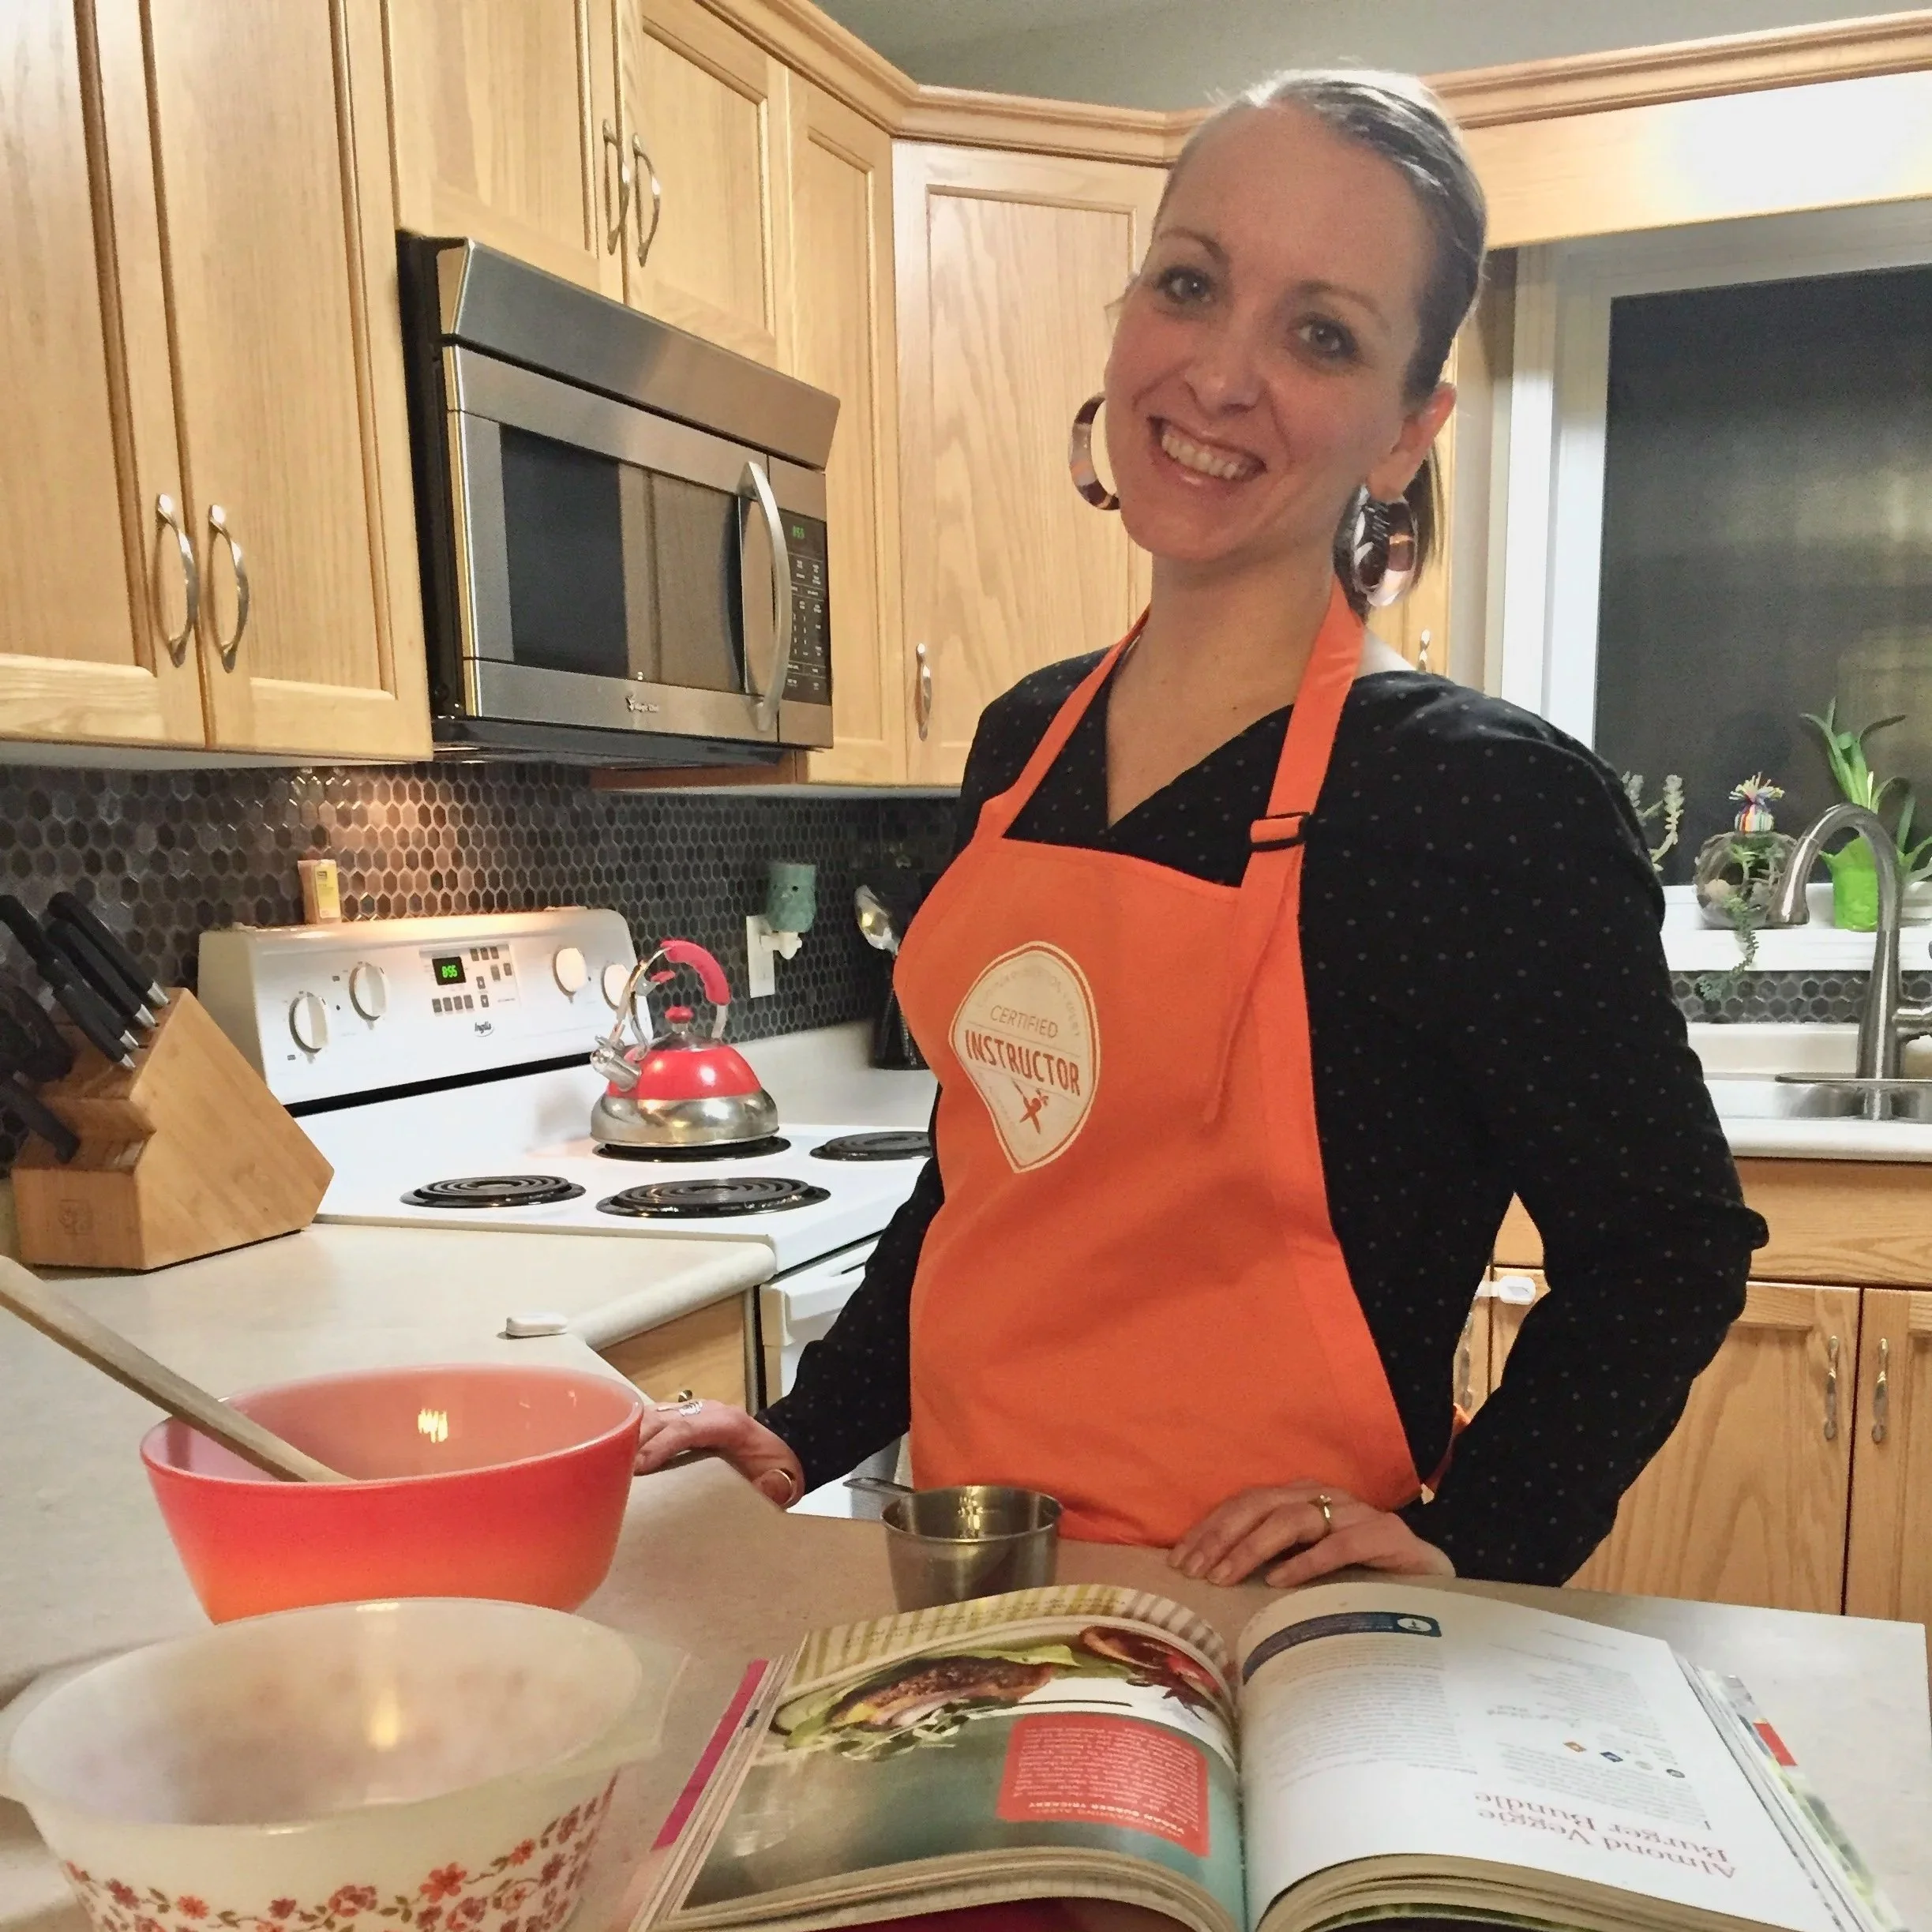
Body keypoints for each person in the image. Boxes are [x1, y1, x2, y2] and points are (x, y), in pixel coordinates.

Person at [635, 69, 1765, 1589]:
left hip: (1281, 1645)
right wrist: (803, 1428)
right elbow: (991, 1182)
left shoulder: (1484, 804)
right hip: (971, 1587)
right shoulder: (1022, 743)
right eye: (1188, 281)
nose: (1219, 374)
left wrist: (1470, 1538)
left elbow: (1664, 1249)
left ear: (1404, 429)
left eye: (1319, 333)